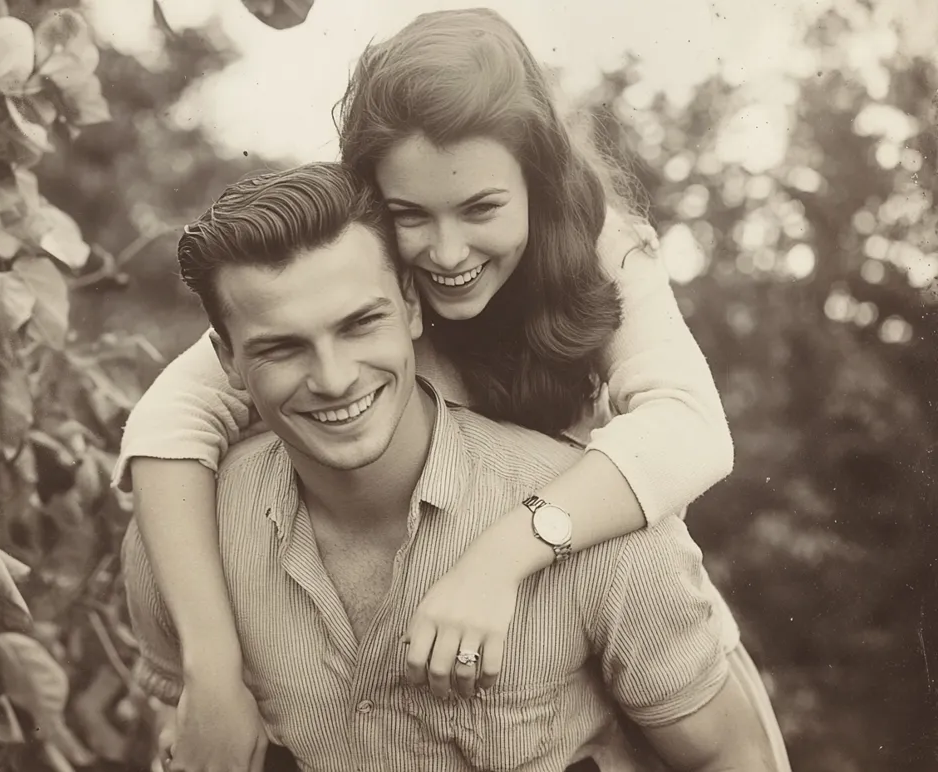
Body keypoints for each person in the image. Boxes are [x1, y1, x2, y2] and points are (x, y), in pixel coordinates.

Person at [114, 8, 783, 772]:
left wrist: (499, 558)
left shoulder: (606, 252)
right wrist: (213, 665)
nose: (448, 252)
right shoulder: (339, 283)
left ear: (537, 182)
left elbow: (689, 428)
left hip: (607, 595)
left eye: (481, 208)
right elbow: (172, 422)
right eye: (409, 215)